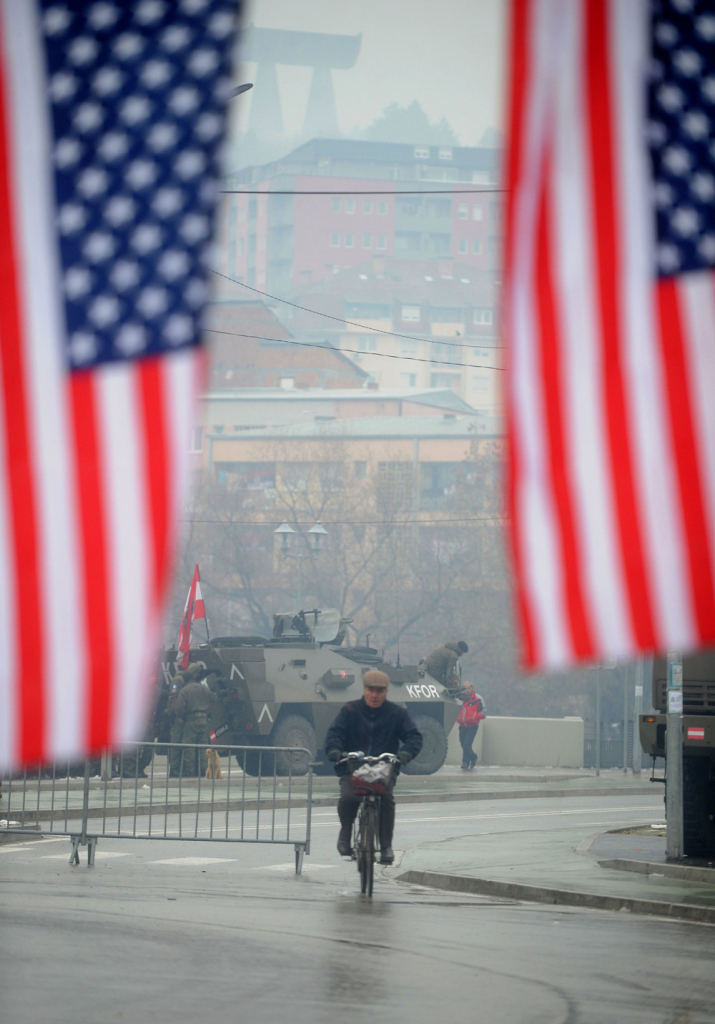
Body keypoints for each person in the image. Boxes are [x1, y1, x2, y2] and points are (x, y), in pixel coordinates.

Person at [324, 669, 423, 865]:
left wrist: (406, 754)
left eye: (380, 691)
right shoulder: (349, 710)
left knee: (385, 799)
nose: (375, 695)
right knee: (349, 798)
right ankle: (345, 831)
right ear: (364, 689)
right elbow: (335, 733)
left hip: (383, 769)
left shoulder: (397, 713)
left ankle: (386, 846)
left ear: (386, 692)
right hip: (353, 767)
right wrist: (334, 751)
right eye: (371, 690)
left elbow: (414, 737)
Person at [174, 664, 212, 777]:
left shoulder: (185, 690)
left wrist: (180, 716)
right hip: (203, 720)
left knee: (189, 746)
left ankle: (190, 771)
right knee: (203, 747)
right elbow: (214, 698)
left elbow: (180, 707)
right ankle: (204, 770)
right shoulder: (204, 688)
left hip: (191, 721)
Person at [166, 663, 203, 777]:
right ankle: (174, 769)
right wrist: (179, 715)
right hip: (178, 718)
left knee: (183, 743)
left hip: (185, 717)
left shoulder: (186, 681)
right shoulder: (178, 680)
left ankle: (182, 768)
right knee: (176, 743)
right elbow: (174, 700)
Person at [457, 684, 485, 770]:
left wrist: (476, 717)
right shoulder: (460, 698)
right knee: (463, 744)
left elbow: (484, 711)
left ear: (472, 688)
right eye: (465, 688)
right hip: (462, 725)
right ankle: (473, 757)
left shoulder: (478, 699)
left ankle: (465, 762)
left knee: (467, 744)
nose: (467, 690)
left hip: (472, 726)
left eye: (468, 688)